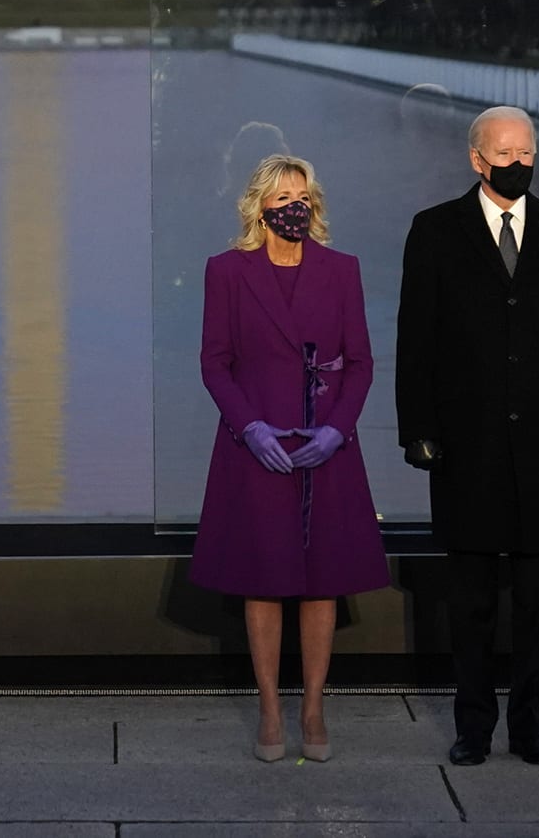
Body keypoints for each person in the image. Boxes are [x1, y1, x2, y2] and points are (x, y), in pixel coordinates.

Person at [395, 104, 539, 768]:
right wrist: (418, 429)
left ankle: (531, 727)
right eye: (504, 153)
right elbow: (414, 341)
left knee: (538, 604)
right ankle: (473, 725)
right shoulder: (434, 231)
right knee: (473, 601)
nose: (517, 164)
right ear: (476, 158)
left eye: (526, 153)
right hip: (467, 445)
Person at [190, 154, 390, 763]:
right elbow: (214, 362)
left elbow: (360, 361)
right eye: (281, 198)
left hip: (325, 446)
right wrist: (249, 428)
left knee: (322, 580)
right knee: (264, 579)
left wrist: (337, 430)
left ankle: (314, 708)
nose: (292, 207)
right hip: (258, 449)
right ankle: (271, 711)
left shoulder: (342, 270)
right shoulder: (226, 271)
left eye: (301, 196)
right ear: (259, 206)